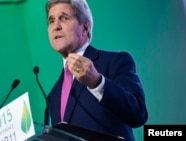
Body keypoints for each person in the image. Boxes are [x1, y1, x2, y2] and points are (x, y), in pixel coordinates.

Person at [45, 0, 148, 140]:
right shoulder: (54, 94)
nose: (55, 26)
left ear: (85, 28)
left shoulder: (115, 61)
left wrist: (97, 83)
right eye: (51, 21)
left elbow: (138, 114)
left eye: (64, 18)